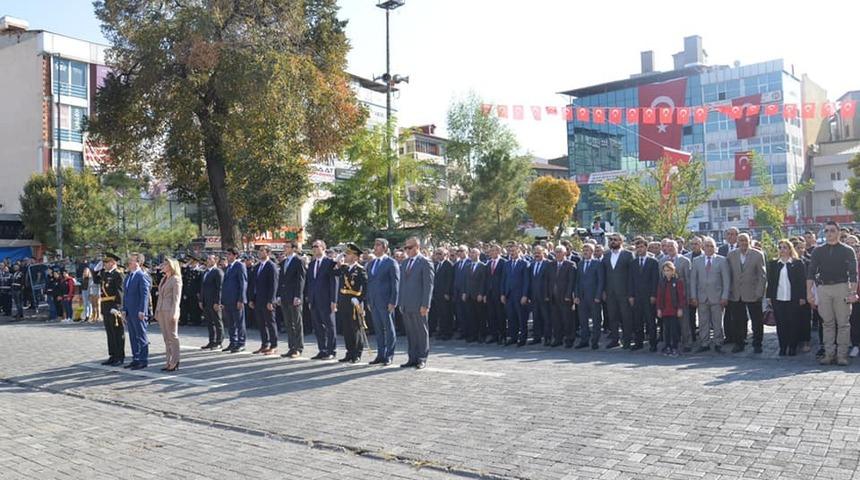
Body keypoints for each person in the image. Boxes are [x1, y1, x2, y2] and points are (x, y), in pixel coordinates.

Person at [807, 221, 858, 366]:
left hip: (842, 287)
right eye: (826, 231)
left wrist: (853, 292)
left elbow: (853, 274)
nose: (829, 233)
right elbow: (811, 272)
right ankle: (829, 354)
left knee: (843, 323)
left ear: (839, 232)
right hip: (823, 288)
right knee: (827, 323)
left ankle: (842, 355)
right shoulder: (818, 251)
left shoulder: (848, 250)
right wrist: (809, 292)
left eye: (832, 230)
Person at [725, 233, 767, 353]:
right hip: (736, 293)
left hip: (753, 293)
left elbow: (762, 275)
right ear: (737, 242)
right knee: (738, 320)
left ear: (750, 241)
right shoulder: (731, 255)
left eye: (745, 240)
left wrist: (759, 292)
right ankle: (739, 343)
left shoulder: (758, 254)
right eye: (741, 240)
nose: (743, 243)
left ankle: (757, 343)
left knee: (756, 320)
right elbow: (728, 274)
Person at [397, 236, 434, 369]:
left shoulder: (425, 262)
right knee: (411, 332)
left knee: (421, 331)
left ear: (417, 247)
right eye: (405, 247)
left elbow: (428, 285)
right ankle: (412, 358)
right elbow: (402, 284)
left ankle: (422, 358)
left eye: (409, 247)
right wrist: (401, 302)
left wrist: (426, 304)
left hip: (419, 304)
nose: (407, 250)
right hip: (406, 304)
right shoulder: (405, 263)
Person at [766, 240, 807, 356]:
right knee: (781, 323)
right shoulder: (774, 264)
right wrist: (769, 296)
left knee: (793, 322)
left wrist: (802, 297)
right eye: (780, 247)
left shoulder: (797, 263)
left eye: (785, 247)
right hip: (778, 298)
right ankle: (783, 346)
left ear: (790, 249)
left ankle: (792, 346)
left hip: (793, 298)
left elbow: (802, 282)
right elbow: (771, 282)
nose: (782, 250)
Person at [690, 237, 730, 353]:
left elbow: (726, 280)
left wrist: (725, 296)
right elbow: (693, 280)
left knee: (717, 322)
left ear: (715, 248)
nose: (709, 248)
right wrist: (693, 296)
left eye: (711, 246)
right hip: (701, 297)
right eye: (707, 246)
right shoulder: (696, 261)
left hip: (717, 297)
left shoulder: (722, 260)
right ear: (703, 247)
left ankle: (718, 342)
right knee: (703, 322)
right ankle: (704, 343)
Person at [365, 238, 399, 365]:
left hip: (386, 301)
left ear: (385, 248)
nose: (375, 247)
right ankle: (380, 354)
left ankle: (389, 355)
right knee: (378, 329)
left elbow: (395, 284)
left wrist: (393, 301)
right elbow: (369, 283)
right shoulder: (372, 263)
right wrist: (369, 300)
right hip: (374, 301)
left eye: (378, 245)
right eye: (374, 245)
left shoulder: (391, 262)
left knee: (389, 329)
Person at [334, 243, 368, 363]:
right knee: (347, 329)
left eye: (348, 254)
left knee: (356, 329)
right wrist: (337, 259)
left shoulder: (360, 270)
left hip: (354, 302)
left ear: (355, 256)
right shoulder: (344, 268)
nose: (346, 256)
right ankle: (349, 352)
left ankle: (357, 354)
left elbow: (366, 288)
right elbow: (332, 272)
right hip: (344, 302)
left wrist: (359, 299)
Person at [305, 240, 338, 360]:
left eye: (316, 246)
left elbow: (334, 282)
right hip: (314, 300)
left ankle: (331, 350)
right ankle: (322, 350)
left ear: (323, 248)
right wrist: (309, 298)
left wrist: (334, 301)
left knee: (330, 326)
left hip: (326, 300)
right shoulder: (312, 264)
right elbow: (310, 282)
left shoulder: (330, 262)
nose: (314, 248)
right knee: (318, 326)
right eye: (312, 246)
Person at [602, 233, 634, 349]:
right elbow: (603, 275)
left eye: (615, 239)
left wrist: (631, 293)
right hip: (610, 292)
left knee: (626, 317)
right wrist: (603, 291)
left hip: (624, 292)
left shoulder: (628, 255)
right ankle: (615, 340)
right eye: (611, 239)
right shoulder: (606, 255)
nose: (612, 241)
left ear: (621, 241)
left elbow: (632, 276)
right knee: (612, 317)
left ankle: (627, 340)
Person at [277, 240, 306, 359]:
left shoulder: (299, 261)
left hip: (294, 296)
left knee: (297, 323)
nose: (285, 248)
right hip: (285, 296)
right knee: (288, 323)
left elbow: (301, 279)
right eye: (285, 246)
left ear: (294, 248)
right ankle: (291, 347)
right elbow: (281, 280)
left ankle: (298, 348)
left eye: (287, 247)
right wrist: (279, 295)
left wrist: (298, 296)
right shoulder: (284, 262)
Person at [123, 253, 152, 370]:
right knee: (133, 336)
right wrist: (124, 309)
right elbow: (125, 295)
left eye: (132, 260)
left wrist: (142, 310)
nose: (129, 262)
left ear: (138, 262)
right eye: (129, 260)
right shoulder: (129, 276)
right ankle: (136, 358)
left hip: (138, 311)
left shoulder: (142, 276)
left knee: (141, 336)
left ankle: (143, 360)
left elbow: (145, 295)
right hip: (129, 311)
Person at [629, 238, 659, 350]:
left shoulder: (653, 262)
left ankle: (653, 344)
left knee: (650, 321)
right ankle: (638, 343)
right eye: (637, 247)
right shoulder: (633, 263)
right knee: (637, 321)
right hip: (637, 297)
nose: (639, 249)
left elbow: (655, 280)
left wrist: (653, 295)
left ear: (646, 247)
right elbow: (630, 280)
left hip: (648, 296)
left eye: (641, 247)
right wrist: (631, 295)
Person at [250, 246, 279, 356]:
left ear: (268, 253)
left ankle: (274, 345)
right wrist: (252, 299)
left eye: (262, 251)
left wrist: (271, 301)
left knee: (270, 323)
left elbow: (274, 285)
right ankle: (264, 344)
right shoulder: (257, 266)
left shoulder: (271, 266)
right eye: (259, 250)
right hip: (258, 299)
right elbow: (253, 284)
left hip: (267, 300)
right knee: (261, 323)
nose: (260, 252)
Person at [574, 242, 604, 349]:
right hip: (582, 297)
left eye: (587, 250)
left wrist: (598, 296)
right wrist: (576, 296)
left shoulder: (598, 263)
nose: (585, 252)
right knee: (583, 320)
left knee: (596, 320)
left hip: (594, 297)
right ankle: (584, 340)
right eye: (584, 250)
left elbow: (601, 281)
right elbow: (577, 281)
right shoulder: (580, 264)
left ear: (592, 252)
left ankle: (595, 341)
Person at [155, 258, 182, 371]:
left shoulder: (176, 279)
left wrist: (175, 312)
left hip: (170, 310)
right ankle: (168, 361)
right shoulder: (164, 279)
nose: (163, 266)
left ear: (171, 266)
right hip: (161, 310)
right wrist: (157, 311)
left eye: (165, 264)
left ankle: (175, 361)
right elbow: (160, 297)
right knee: (166, 338)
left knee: (172, 337)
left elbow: (176, 298)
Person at [547, 245, 577, 348]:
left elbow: (571, 281)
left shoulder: (571, 264)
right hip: (553, 297)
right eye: (556, 252)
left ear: (565, 253)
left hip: (565, 297)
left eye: (560, 251)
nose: (557, 254)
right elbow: (548, 281)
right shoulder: (551, 265)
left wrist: (569, 295)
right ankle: (558, 339)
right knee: (556, 319)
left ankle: (569, 339)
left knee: (567, 319)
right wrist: (548, 294)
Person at [220, 248, 247, 353]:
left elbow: (243, 283)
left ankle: (241, 343)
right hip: (228, 299)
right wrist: (223, 300)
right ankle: (233, 342)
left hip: (236, 299)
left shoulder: (240, 266)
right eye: (227, 254)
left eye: (229, 254)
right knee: (230, 323)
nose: (227, 256)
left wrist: (241, 299)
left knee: (239, 322)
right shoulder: (228, 267)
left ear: (235, 255)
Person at [656, 261, 686, 357]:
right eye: (665, 271)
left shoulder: (678, 281)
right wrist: (659, 309)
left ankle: (675, 347)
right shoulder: (662, 282)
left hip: (674, 309)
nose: (667, 272)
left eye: (668, 270)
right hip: (665, 309)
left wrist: (680, 308)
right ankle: (667, 346)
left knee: (674, 330)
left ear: (673, 271)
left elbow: (681, 296)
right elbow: (659, 296)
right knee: (666, 329)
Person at [198, 254, 225, 350]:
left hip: (214, 301)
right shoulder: (206, 272)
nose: (208, 260)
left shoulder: (218, 271)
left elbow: (219, 288)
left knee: (217, 321)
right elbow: (202, 287)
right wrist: (201, 300)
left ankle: (219, 342)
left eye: (210, 259)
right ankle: (211, 341)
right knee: (209, 322)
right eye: (207, 259)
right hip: (206, 301)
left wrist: (217, 302)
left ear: (215, 260)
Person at [483, 244, 508, 344]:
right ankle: (494, 335)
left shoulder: (504, 262)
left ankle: (503, 335)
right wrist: (485, 294)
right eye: (491, 251)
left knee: (500, 315)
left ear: (498, 251)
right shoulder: (488, 263)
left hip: (499, 293)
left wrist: (503, 293)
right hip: (490, 293)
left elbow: (504, 279)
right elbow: (486, 279)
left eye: (494, 250)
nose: (492, 253)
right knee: (491, 315)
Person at [430, 248, 454, 342]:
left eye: (440, 253)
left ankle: (447, 333)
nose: (438, 255)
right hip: (437, 293)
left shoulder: (448, 264)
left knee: (446, 313)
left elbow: (449, 280)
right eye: (437, 254)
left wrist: (447, 292)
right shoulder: (436, 264)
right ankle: (441, 331)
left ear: (445, 254)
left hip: (444, 294)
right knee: (440, 314)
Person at [463, 247, 487, 343]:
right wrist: (464, 292)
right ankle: (473, 335)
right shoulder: (467, 266)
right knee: (471, 316)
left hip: (478, 295)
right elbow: (465, 281)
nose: (471, 254)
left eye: (473, 253)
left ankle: (482, 335)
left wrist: (481, 293)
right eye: (471, 253)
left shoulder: (483, 266)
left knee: (480, 316)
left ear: (478, 254)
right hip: (469, 295)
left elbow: (483, 281)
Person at [452, 245, 471, 339]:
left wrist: (465, 292)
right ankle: (463, 332)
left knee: (468, 313)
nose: (459, 253)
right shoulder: (457, 264)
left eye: (461, 251)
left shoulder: (470, 263)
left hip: (466, 293)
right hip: (457, 293)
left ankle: (469, 332)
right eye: (458, 251)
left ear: (466, 252)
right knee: (460, 314)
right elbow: (455, 279)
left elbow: (469, 280)